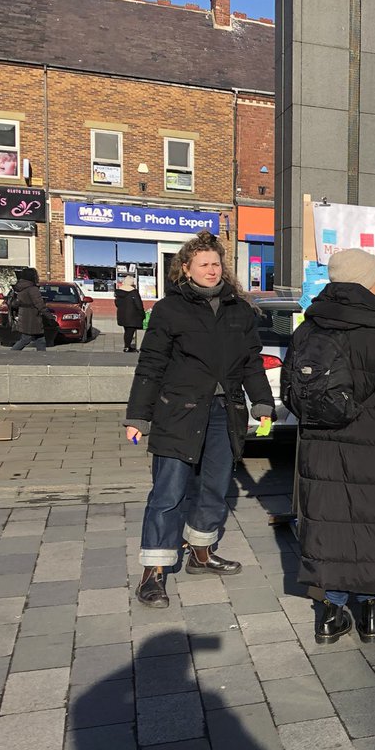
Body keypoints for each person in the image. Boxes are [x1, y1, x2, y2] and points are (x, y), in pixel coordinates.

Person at [123, 230, 274, 608]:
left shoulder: (239, 309)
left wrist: (263, 404)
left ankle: (201, 553)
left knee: (214, 487)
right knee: (168, 493)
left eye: (217, 263)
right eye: (204, 264)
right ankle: (153, 572)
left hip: (225, 413)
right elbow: (151, 364)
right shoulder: (170, 309)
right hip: (178, 412)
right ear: (186, 269)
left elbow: (252, 362)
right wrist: (138, 417)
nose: (212, 269)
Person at [285, 249, 375, 644]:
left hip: (322, 447)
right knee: (373, 527)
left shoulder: (307, 328)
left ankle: (329, 615)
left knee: (328, 525)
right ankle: (370, 615)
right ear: (366, 282)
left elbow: (292, 395)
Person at [10, 267, 47, 352]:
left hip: (24, 315)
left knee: (40, 339)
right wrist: (49, 316)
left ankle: (43, 357)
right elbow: (39, 304)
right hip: (32, 317)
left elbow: (17, 302)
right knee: (26, 339)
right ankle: (12, 353)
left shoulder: (20, 287)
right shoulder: (32, 289)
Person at [115, 275, 146, 352]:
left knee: (127, 331)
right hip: (132, 315)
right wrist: (142, 313)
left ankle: (127, 345)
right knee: (130, 331)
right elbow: (139, 304)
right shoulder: (133, 292)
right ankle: (127, 347)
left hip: (122, 315)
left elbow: (116, 303)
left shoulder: (119, 292)